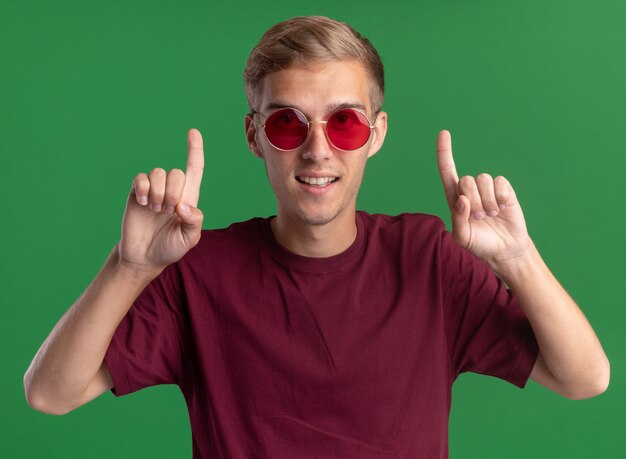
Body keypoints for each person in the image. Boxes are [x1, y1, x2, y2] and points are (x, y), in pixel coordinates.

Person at [24, 15, 609, 458]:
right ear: (254, 137)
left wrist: (517, 259)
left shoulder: (428, 260)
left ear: (376, 134)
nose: (318, 149)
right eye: (287, 122)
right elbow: (50, 394)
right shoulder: (199, 273)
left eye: (345, 122)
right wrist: (129, 268)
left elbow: (585, 378)